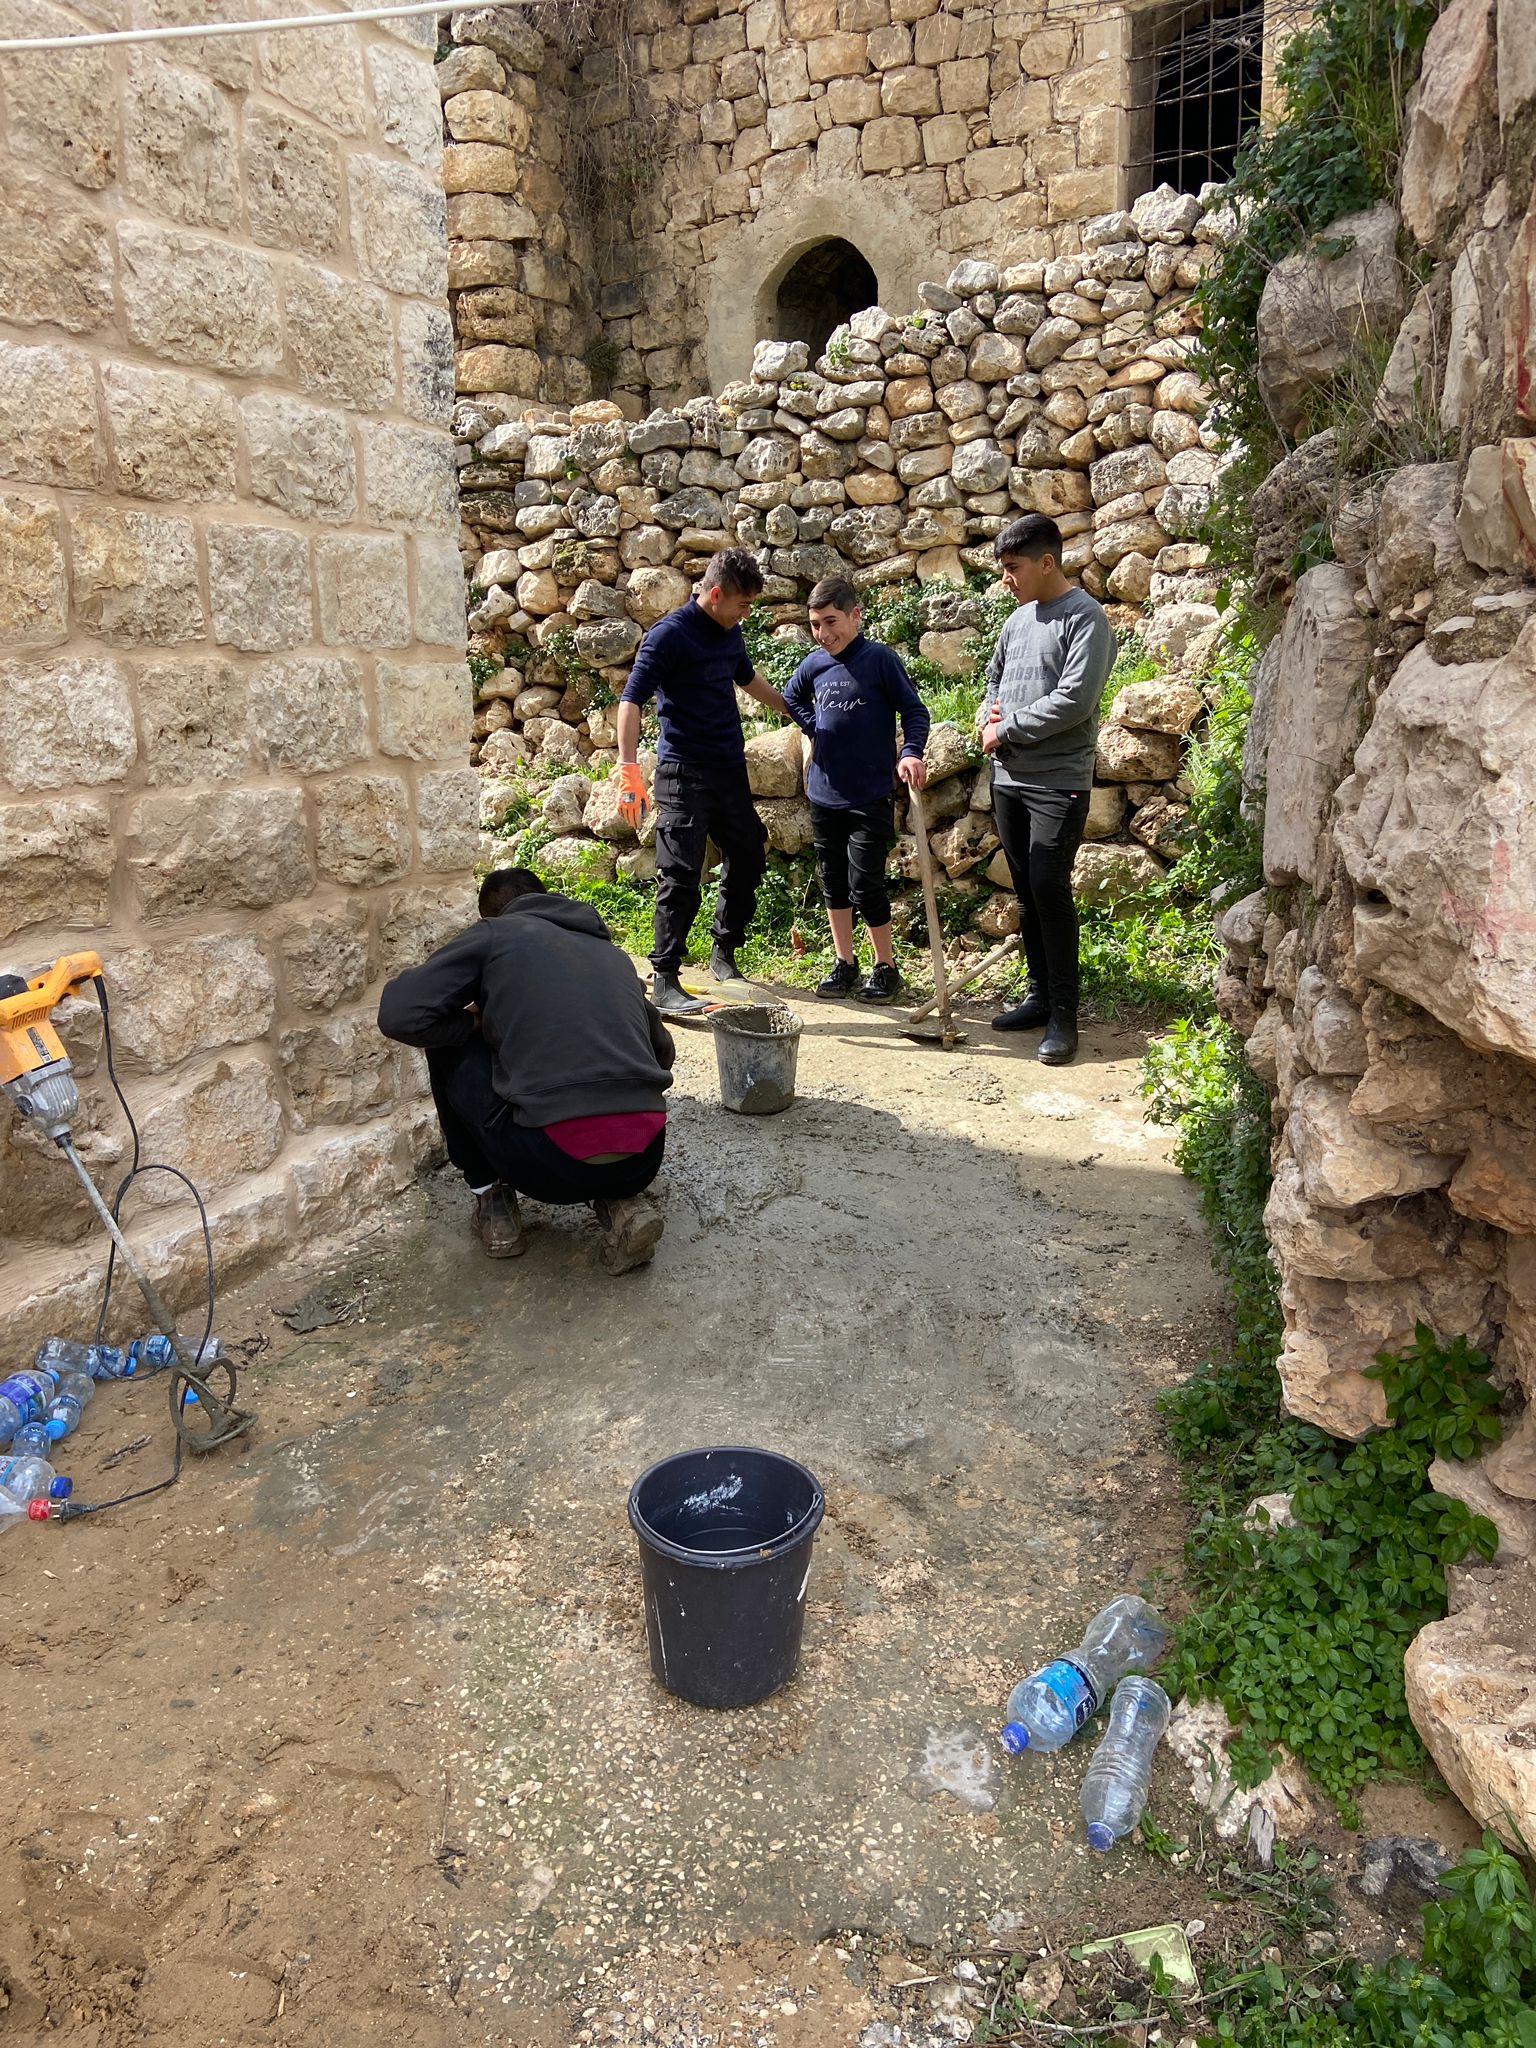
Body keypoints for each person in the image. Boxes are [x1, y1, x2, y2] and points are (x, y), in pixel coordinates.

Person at [377, 867, 674, 1274]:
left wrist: (476, 1023)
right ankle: (618, 1204)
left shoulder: (494, 934)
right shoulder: (613, 955)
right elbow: (663, 1052)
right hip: (643, 1158)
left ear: (491, 914)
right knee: (596, 1103)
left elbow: (400, 1015)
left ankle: (491, 1198)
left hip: (544, 1166)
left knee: (446, 1046)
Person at [614, 548, 790, 1016]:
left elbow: (748, 679)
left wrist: (793, 711)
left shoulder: (730, 632)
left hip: (728, 770)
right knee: (681, 873)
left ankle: (723, 952)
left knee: (748, 854)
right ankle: (665, 979)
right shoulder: (669, 636)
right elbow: (631, 700)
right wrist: (629, 771)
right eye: (742, 604)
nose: (746, 614)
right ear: (715, 595)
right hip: (682, 773)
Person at [981, 514, 1117, 1065]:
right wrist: (986, 717)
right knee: (1027, 891)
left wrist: (1006, 728)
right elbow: (993, 679)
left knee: (1049, 888)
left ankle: (1064, 1015)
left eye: (1013, 567)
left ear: (1046, 562)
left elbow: (1075, 700)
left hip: (1057, 780)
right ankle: (1038, 998)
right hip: (1008, 779)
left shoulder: (1086, 618)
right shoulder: (1016, 621)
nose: (1006, 578)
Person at [781, 575, 931, 1003]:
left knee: (865, 883)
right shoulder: (814, 665)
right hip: (823, 792)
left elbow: (915, 712)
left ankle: (886, 967)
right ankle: (845, 963)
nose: (823, 633)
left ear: (855, 616)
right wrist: (813, 728)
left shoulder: (880, 660)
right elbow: (791, 697)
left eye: (831, 622)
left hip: (869, 793)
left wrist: (911, 752)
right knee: (833, 881)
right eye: (815, 625)